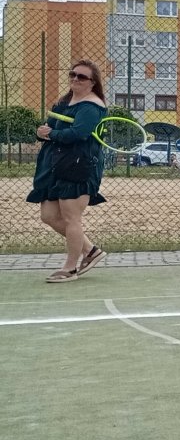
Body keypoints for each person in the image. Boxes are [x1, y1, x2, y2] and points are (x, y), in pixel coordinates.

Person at [28, 60, 109, 283]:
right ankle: (91, 251)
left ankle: (70, 268)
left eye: (81, 76)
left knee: (71, 218)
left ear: (93, 82)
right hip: (54, 165)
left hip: (79, 165)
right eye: (73, 74)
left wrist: (51, 134)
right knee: (48, 216)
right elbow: (49, 128)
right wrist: (42, 133)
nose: (75, 79)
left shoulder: (92, 107)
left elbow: (78, 134)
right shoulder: (64, 102)